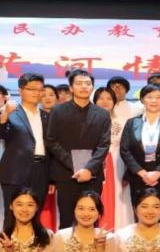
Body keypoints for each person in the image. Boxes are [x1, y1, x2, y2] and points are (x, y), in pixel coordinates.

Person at [45, 69, 111, 228]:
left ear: (92, 87)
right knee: (67, 219)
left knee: (91, 218)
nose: (84, 86)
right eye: (79, 83)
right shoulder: (58, 111)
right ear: (71, 88)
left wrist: (88, 168)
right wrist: (75, 165)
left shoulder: (102, 114)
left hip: (92, 175)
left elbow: (104, 145)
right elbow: (51, 141)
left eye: (88, 83)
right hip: (66, 173)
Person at [120, 84, 160, 227]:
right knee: (143, 217)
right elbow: (125, 150)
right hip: (139, 178)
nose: (154, 101)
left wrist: (158, 172)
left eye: (158, 97)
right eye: (149, 97)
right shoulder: (132, 123)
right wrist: (142, 173)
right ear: (142, 99)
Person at [0, 73, 51, 210]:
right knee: (12, 214)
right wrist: (5, 114)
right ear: (20, 91)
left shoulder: (47, 116)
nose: (37, 93)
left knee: (36, 212)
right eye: (31, 89)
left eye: (40, 89)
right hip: (15, 171)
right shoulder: (10, 112)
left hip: (41, 171)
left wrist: (52, 178)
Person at [93, 86, 129, 230]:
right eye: (101, 98)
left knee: (117, 194)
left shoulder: (123, 121)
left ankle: (116, 228)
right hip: (94, 162)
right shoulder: (88, 121)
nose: (105, 101)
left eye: (109, 98)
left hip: (117, 161)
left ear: (114, 101)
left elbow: (127, 147)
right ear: (95, 101)